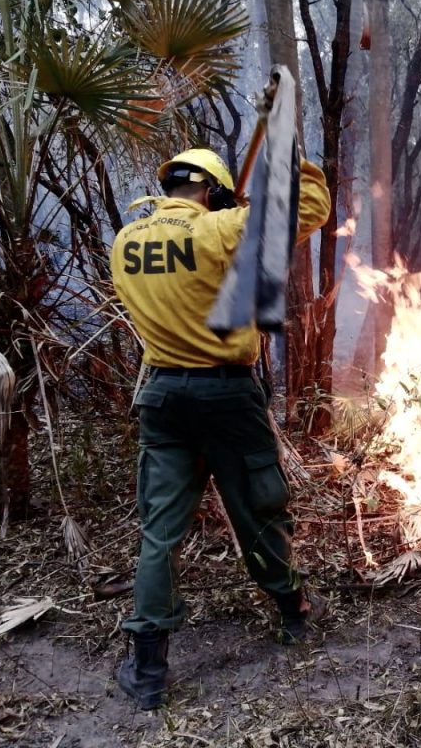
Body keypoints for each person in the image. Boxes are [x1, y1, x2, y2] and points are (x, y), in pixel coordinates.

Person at [109, 147, 331, 710]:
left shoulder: (125, 242)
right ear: (213, 191)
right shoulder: (221, 230)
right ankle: (293, 614)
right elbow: (312, 206)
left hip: (162, 396)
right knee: (258, 506)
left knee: (160, 530)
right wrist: (293, 159)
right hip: (227, 396)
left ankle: (148, 670)